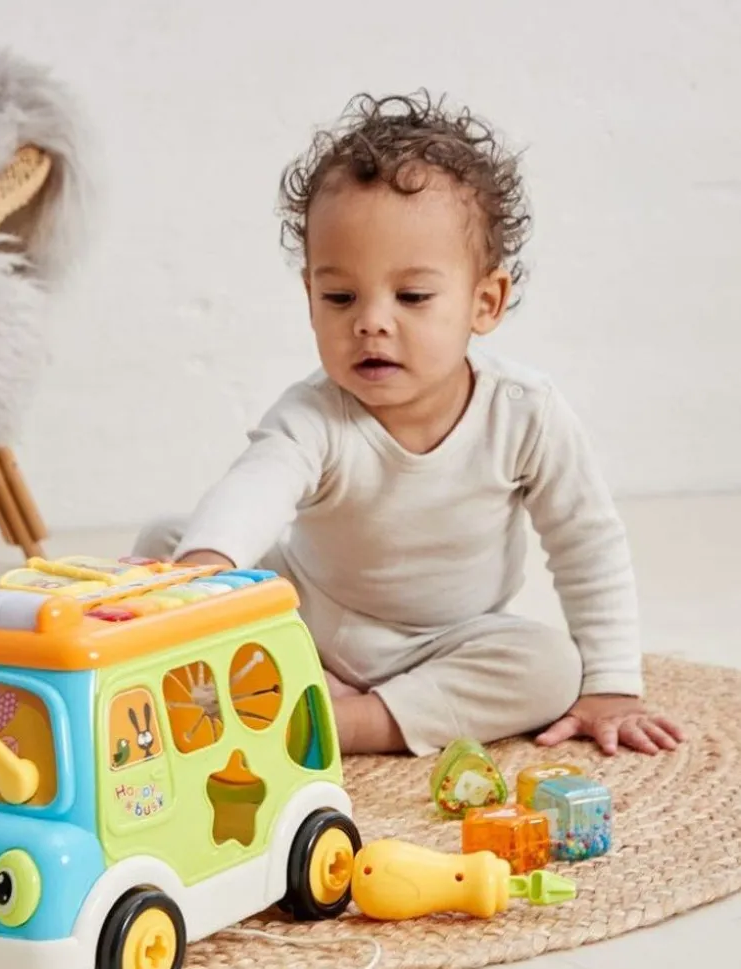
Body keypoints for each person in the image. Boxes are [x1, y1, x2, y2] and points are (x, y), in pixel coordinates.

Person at [133, 91, 684, 759]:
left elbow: (586, 542)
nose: (371, 321)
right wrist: (207, 566)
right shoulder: (315, 413)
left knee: (550, 667)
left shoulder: (524, 413)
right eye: (340, 297)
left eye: (413, 296)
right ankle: (302, 673)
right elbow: (256, 487)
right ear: (310, 298)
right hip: (308, 613)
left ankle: (349, 720)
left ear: (485, 302)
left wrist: (613, 686)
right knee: (169, 540)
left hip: (447, 640)